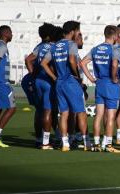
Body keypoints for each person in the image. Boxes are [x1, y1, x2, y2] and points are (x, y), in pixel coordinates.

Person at [40, 20, 90, 152]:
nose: (78, 33)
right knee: (80, 112)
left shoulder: (55, 46)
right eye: (78, 31)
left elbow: (44, 63)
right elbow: (72, 60)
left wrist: (54, 77)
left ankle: (65, 143)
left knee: (64, 113)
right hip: (70, 81)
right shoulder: (71, 44)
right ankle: (86, 143)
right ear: (73, 31)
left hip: (59, 83)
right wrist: (77, 77)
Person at [80, 25, 120, 153]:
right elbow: (114, 64)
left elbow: (82, 63)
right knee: (110, 116)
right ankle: (108, 145)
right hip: (111, 84)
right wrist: (114, 78)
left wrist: (92, 78)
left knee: (98, 116)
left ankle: (97, 144)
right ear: (114, 36)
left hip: (99, 84)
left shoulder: (96, 49)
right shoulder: (114, 49)